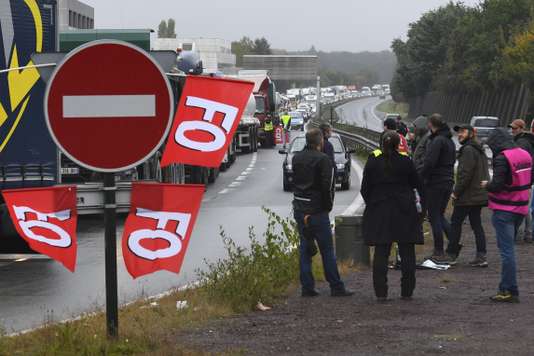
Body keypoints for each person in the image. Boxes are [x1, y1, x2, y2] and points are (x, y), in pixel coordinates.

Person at [361, 131, 423, 301]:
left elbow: (364, 188)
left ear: (381, 144)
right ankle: (407, 291)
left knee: (381, 252)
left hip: (380, 210)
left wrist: (373, 203)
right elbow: (417, 184)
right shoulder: (406, 161)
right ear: (398, 145)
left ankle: (381, 293)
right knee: (407, 252)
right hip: (404, 210)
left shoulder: (373, 161)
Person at [292, 128, 353, 298]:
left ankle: (307, 287)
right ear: (321, 142)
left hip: (300, 207)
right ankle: (336, 286)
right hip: (317, 210)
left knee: (305, 248)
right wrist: (327, 206)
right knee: (326, 249)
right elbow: (327, 185)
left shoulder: (297, 158)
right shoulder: (323, 160)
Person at [483, 128, 532, 303]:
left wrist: (486, 185)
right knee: (509, 249)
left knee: (507, 252)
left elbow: (497, 185)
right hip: (521, 207)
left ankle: (508, 290)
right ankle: (509, 288)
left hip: (504, 209)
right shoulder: (524, 154)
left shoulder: (502, 157)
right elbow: (530, 179)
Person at [447, 125, 490, 266]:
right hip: (478, 194)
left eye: (463, 132)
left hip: (467, 196)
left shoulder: (468, 150)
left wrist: (455, 192)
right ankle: (481, 256)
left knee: (455, 223)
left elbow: (465, 175)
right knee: (477, 225)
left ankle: (451, 255)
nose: (459, 134)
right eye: (458, 132)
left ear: (471, 134)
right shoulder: (479, 149)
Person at [421, 114, 456, 262]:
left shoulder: (437, 141)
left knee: (434, 216)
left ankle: (438, 250)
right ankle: (454, 244)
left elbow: (430, 162)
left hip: (436, 182)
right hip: (448, 181)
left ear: (430, 124)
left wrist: (421, 177)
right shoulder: (449, 141)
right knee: (440, 215)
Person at [509, 119, 534, 243]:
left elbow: (519, 162)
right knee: (526, 208)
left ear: (521, 129)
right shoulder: (527, 141)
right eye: (511, 128)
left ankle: (518, 236)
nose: (512, 130)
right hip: (528, 179)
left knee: (520, 208)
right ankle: (529, 234)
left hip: (523, 180)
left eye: (514, 128)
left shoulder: (521, 143)